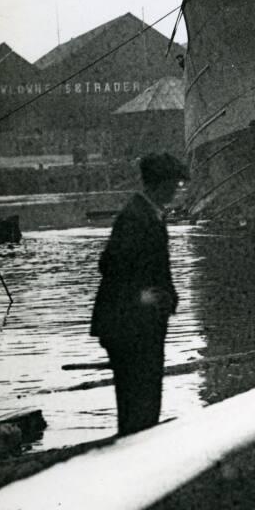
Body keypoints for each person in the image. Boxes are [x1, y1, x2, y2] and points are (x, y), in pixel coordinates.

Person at [90, 153, 186, 436]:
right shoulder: (136, 217)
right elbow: (109, 264)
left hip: (139, 324)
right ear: (160, 184)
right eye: (175, 183)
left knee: (143, 399)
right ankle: (136, 451)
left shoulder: (148, 214)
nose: (177, 189)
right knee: (139, 402)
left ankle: (138, 446)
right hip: (129, 325)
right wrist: (144, 296)